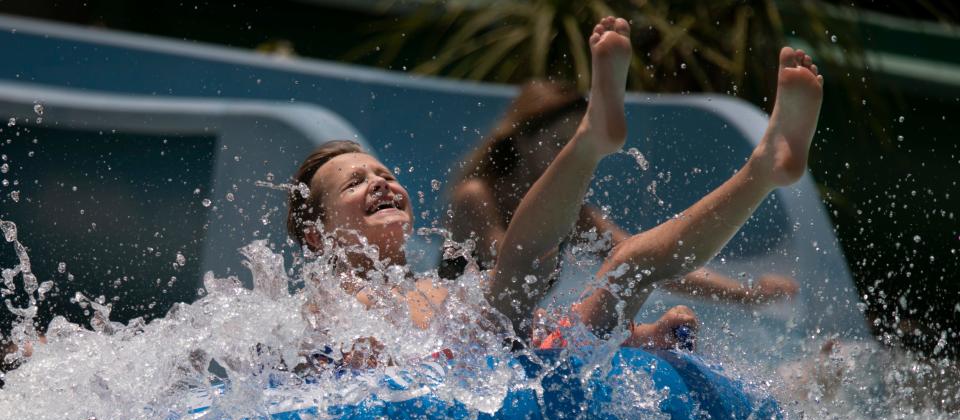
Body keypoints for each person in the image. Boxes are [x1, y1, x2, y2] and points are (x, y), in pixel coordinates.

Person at [285, 17, 823, 363]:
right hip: (478, 342)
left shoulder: (427, 288)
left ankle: (762, 172)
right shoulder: (327, 302)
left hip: (501, 342)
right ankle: (595, 139)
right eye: (356, 182)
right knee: (514, 276)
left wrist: (636, 334)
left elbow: (535, 323)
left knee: (631, 263)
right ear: (315, 234)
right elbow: (327, 366)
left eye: (385, 174)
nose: (380, 181)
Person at [440, 80, 799, 306]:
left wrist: (744, 294)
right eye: (558, 145)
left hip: (518, 333)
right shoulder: (475, 196)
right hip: (465, 331)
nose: (565, 159)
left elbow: (647, 258)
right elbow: (513, 272)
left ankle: (762, 171)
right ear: (520, 139)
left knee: (634, 269)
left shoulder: (575, 214)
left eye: (574, 147)